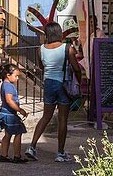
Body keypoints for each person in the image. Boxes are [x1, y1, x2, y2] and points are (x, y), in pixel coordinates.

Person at [24, 22, 81, 164]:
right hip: (62, 84)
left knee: (46, 116)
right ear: (59, 32)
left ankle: (32, 146)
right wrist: (78, 82)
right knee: (62, 119)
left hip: (48, 83)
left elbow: (42, 67)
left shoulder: (41, 49)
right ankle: (60, 153)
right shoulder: (67, 48)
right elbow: (76, 68)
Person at [0, 62, 28, 164]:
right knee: (18, 132)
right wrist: (19, 110)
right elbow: (9, 100)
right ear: (8, 75)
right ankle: (17, 156)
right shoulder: (8, 86)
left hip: (5, 113)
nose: (17, 79)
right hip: (10, 115)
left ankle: (3, 155)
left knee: (8, 134)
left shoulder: (4, 85)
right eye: (16, 76)